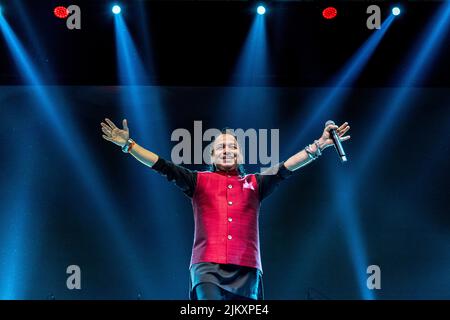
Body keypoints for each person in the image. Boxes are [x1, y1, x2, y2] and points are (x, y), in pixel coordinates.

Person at [100, 118, 350, 300]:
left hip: (247, 268)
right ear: (212, 155)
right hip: (206, 267)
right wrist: (129, 145)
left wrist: (319, 145)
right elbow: (161, 165)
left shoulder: (255, 182)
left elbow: (287, 167)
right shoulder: (198, 181)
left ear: (240, 155)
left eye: (232, 147)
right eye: (221, 147)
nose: (227, 151)